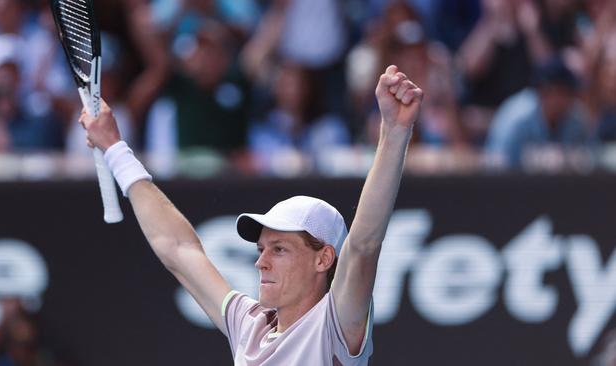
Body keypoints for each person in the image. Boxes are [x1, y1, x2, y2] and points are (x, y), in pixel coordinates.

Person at [78, 65, 423, 365]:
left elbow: (363, 244)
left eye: (280, 249)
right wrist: (116, 150)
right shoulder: (249, 324)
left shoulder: (334, 324)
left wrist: (394, 132)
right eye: (262, 250)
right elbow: (179, 249)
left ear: (323, 259)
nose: (261, 263)